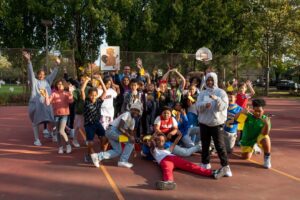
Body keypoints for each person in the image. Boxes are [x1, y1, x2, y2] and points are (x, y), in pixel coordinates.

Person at [150, 133, 226, 190]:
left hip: (174, 158)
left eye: (162, 140)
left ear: (165, 141)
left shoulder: (168, 149)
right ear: (155, 141)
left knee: (191, 166)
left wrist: (179, 136)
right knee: (167, 170)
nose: (160, 141)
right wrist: (153, 137)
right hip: (164, 161)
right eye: (158, 140)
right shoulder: (154, 150)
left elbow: (174, 143)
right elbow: (149, 142)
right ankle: (169, 182)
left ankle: (213, 173)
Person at [196, 72, 231, 177]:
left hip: (217, 123)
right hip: (204, 123)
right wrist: (204, 105)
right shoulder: (202, 93)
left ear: (215, 80)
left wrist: (217, 99)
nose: (209, 82)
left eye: (211, 80)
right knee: (205, 145)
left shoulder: (221, 92)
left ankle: (226, 167)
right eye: (208, 80)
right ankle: (205, 163)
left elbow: (224, 107)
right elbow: (197, 106)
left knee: (220, 146)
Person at [23, 51, 60, 146]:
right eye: (40, 74)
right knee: (36, 123)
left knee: (53, 122)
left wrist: (57, 65)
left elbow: (53, 74)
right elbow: (31, 73)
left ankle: (54, 134)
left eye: (43, 74)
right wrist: (29, 61)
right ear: (37, 75)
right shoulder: (34, 82)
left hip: (47, 106)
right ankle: (37, 140)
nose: (42, 76)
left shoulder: (47, 81)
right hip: (37, 107)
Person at [91, 103, 142, 168]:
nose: (136, 112)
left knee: (118, 151)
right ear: (131, 109)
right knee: (130, 141)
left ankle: (97, 156)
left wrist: (133, 148)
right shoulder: (127, 114)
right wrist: (130, 138)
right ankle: (123, 161)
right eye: (134, 109)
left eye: (138, 111)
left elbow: (131, 135)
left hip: (115, 135)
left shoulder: (133, 121)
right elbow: (120, 127)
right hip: (112, 131)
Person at [236, 99, 272, 169]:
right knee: (245, 157)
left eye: (260, 111)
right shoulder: (247, 116)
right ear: (253, 110)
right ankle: (254, 148)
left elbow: (264, 133)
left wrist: (266, 124)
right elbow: (237, 120)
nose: (258, 113)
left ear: (263, 111)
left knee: (265, 138)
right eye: (256, 111)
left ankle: (267, 158)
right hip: (247, 140)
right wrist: (242, 112)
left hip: (258, 138)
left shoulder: (266, 119)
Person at [44, 79, 74, 154]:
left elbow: (71, 101)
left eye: (61, 84)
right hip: (56, 115)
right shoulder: (54, 94)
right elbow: (47, 103)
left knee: (61, 131)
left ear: (64, 85)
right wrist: (46, 95)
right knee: (57, 132)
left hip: (64, 115)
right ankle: (60, 147)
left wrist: (70, 93)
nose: (59, 85)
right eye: (58, 84)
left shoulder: (66, 93)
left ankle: (68, 145)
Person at [81, 75, 107, 157]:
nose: (93, 97)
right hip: (89, 125)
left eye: (95, 95)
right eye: (91, 95)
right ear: (89, 95)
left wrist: (100, 80)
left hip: (97, 123)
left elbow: (105, 91)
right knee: (91, 142)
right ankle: (88, 155)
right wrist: (86, 80)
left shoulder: (99, 101)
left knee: (104, 138)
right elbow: (82, 90)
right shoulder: (86, 102)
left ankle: (102, 153)